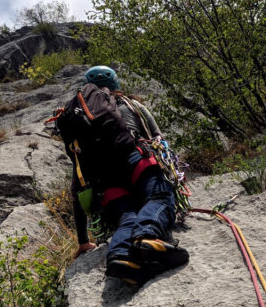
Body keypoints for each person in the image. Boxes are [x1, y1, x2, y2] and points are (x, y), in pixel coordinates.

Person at [71, 65, 188, 286]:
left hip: (104, 179)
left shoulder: (82, 117)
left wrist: (83, 241)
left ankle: (120, 257)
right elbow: (159, 142)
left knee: (127, 216)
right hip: (138, 161)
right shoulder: (133, 105)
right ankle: (147, 236)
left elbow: (76, 184)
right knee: (160, 198)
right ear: (116, 84)